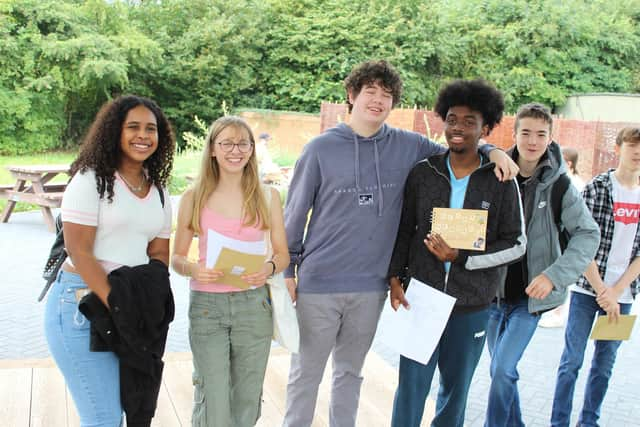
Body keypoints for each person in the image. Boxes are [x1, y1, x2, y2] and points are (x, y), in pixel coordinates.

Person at [282, 61, 518, 427]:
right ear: (351, 95)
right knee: (305, 375)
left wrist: (494, 152)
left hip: (370, 288)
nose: (378, 101)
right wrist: (288, 268)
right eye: (370, 92)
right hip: (318, 284)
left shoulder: (409, 146)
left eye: (386, 94)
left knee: (350, 374)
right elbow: (294, 213)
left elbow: (457, 144)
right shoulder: (318, 149)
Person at [387, 79, 526, 427]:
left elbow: (516, 244)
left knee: (454, 395)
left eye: (469, 121)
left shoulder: (500, 179)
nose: (458, 128)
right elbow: (405, 230)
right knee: (410, 389)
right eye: (452, 119)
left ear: (486, 127)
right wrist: (395, 278)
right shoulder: (424, 172)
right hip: (422, 299)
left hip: (472, 306)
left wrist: (460, 259)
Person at [44, 95, 175, 426]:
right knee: (103, 418)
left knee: (130, 410)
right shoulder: (91, 180)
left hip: (128, 305)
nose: (142, 135)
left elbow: (159, 253)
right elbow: (79, 250)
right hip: (81, 306)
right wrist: (121, 304)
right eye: (133, 127)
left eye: (151, 128)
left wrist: (145, 302)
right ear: (114, 130)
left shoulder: (157, 189)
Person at [484, 103, 600, 427]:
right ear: (515, 134)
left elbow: (588, 234)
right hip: (492, 297)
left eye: (540, 134)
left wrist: (553, 276)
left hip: (529, 301)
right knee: (500, 374)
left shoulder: (560, 185)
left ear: (550, 138)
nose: (532, 141)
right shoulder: (494, 176)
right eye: (526, 133)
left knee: (503, 369)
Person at [171, 116, 289, 426]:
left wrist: (268, 267)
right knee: (213, 399)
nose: (235, 150)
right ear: (212, 149)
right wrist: (193, 269)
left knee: (247, 400)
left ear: (252, 149)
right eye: (226, 143)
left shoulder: (268, 197)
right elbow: (177, 258)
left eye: (243, 143)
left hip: (253, 306)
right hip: (208, 309)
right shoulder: (193, 197)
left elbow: (283, 254)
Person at [551, 127, 640, 427]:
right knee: (571, 362)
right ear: (618, 149)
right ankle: (559, 422)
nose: (637, 152)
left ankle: (589, 422)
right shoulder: (597, 187)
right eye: (632, 145)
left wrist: (616, 293)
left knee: (604, 365)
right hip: (586, 292)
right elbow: (580, 240)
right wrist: (603, 289)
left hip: (622, 299)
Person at [539, 145, 588, 328]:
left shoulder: (571, 184)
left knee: (561, 271)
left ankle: (558, 312)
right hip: (561, 236)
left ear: (568, 163)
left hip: (565, 237)